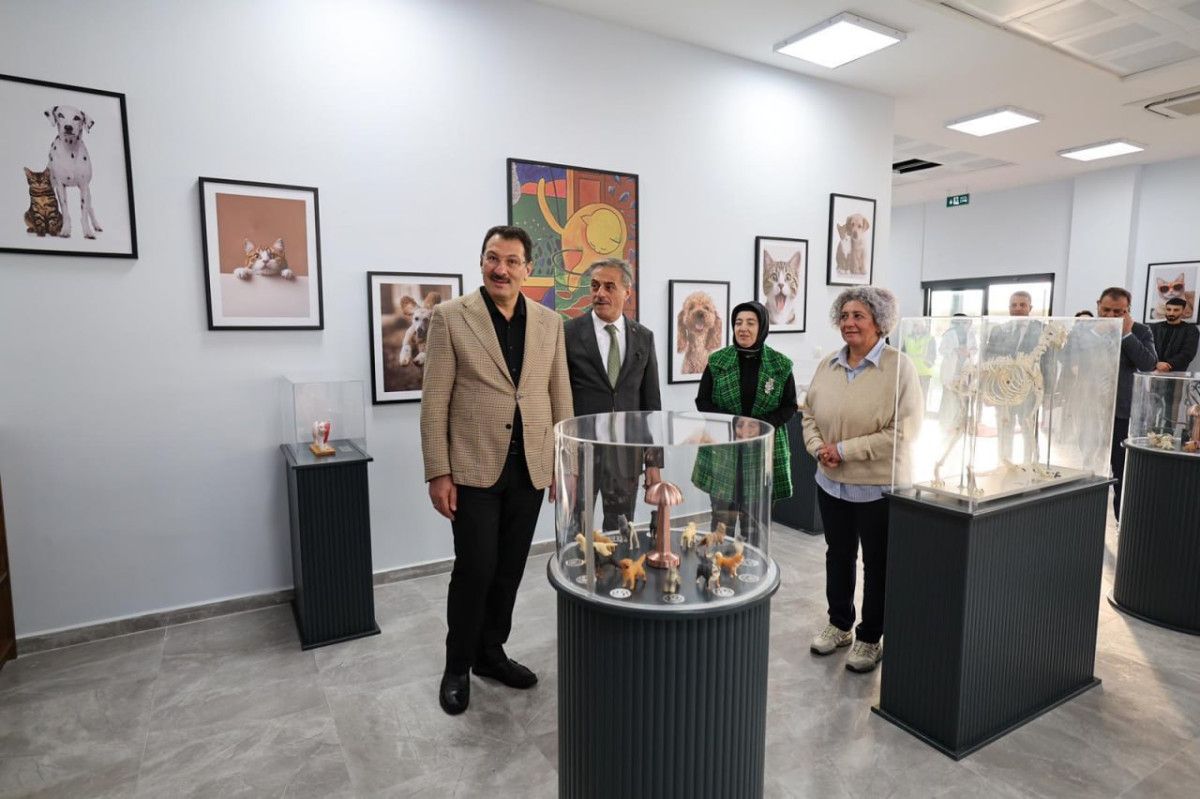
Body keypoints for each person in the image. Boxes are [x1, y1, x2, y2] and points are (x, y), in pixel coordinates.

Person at [421, 225, 573, 716]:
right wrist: (438, 472)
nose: (500, 269)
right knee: (475, 569)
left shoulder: (550, 323)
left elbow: (560, 397)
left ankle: (490, 653)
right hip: (473, 468)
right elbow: (434, 401)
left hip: (531, 467)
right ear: (481, 261)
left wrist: (564, 465)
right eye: (492, 258)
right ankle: (457, 665)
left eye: (510, 261)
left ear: (528, 269)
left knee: (508, 569)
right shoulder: (450, 317)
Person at [802, 287, 922, 674]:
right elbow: (809, 414)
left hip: (878, 488)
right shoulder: (828, 364)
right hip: (831, 482)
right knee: (838, 555)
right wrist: (818, 447)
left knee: (877, 564)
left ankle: (870, 637)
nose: (849, 323)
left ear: (879, 323)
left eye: (858, 316)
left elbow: (904, 431)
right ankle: (839, 624)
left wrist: (846, 450)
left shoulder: (900, 368)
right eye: (844, 315)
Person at [563, 258, 662, 530]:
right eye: (595, 286)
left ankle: (617, 559)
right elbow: (558, 397)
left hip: (626, 454)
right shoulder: (568, 333)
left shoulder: (643, 337)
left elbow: (651, 405)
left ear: (627, 292)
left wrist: (653, 461)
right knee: (575, 529)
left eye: (609, 287)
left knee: (621, 530)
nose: (600, 293)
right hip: (581, 451)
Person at [693, 301, 796, 537]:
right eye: (738, 322)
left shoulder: (780, 365)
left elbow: (789, 406)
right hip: (723, 449)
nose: (743, 328)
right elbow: (702, 402)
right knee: (722, 523)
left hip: (762, 451)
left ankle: (752, 561)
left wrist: (761, 425)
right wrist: (734, 423)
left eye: (751, 323)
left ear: (762, 327)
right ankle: (720, 559)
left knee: (756, 526)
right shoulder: (718, 361)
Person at [1096, 287, 1157, 521]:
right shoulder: (1086, 329)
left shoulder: (1141, 331)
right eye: (1106, 310)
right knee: (1088, 472)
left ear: (1128, 310)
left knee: (1122, 472)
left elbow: (1148, 364)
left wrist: (1126, 334)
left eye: (1118, 311)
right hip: (1091, 412)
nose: (1111, 316)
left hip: (1122, 413)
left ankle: (1123, 524)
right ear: (1098, 305)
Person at [983, 291, 1045, 464]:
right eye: (1014, 305)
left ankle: (1029, 464)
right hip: (1003, 391)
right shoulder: (999, 330)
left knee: (1028, 429)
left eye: (1022, 305)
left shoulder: (1041, 330)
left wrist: (1046, 392)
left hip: (1029, 392)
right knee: (1004, 429)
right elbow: (988, 358)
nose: (1017, 308)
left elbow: (1047, 364)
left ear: (1030, 308)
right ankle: (1004, 463)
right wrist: (986, 391)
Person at [1150, 297, 1199, 374]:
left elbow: (1188, 353)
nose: (1171, 313)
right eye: (1168, 309)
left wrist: (1167, 365)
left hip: (1176, 373)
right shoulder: (1153, 327)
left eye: (1176, 310)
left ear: (1183, 311)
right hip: (1151, 371)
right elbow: (1146, 348)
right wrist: (1156, 364)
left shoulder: (1191, 330)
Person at [902, 318, 937, 408]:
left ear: (924, 327)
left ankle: (922, 416)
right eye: (915, 325)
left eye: (920, 326)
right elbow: (903, 354)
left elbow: (933, 356)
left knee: (922, 398)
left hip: (924, 373)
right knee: (910, 397)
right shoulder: (907, 338)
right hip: (911, 372)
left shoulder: (930, 338)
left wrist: (927, 364)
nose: (917, 328)